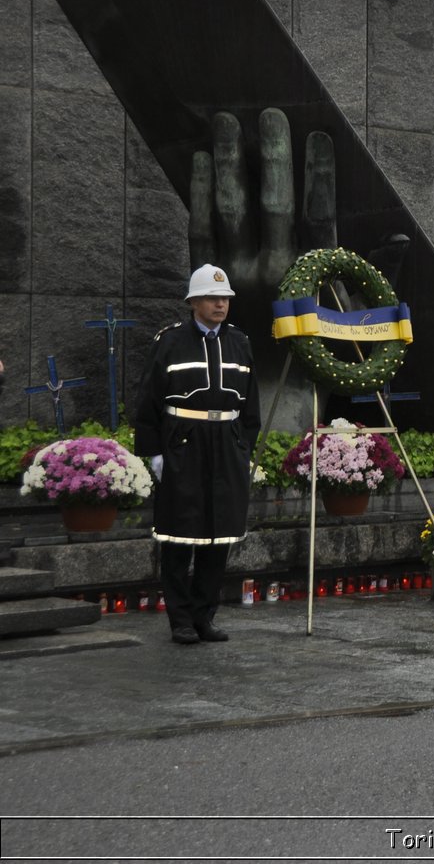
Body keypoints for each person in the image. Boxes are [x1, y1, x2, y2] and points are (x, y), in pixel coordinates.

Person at [133, 265, 260, 645]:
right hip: (183, 443)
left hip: (226, 443)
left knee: (219, 536)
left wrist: (244, 450)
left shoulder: (240, 342)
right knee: (179, 535)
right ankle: (181, 620)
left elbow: (251, 405)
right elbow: (148, 402)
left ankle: (205, 616)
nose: (220, 304)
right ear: (193, 303)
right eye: (212, 298)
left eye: (225, 298)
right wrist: (155, 454)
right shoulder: (169, 341)